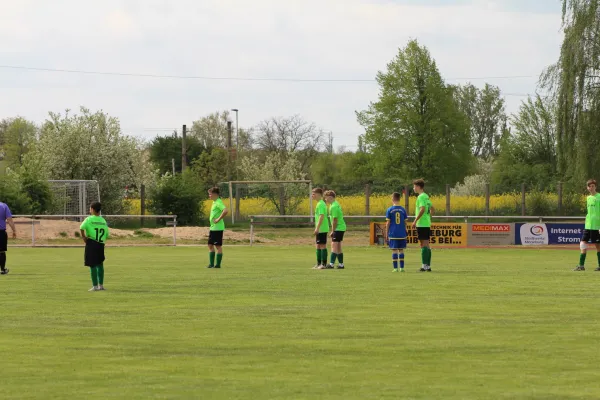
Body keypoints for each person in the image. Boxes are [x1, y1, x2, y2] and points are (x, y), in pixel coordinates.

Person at [80, 202, 109, 291]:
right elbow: (107, 234)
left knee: (92, 265)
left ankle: (95, 286)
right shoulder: (103, 220)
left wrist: (84, 237)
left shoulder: (89, 219)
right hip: (101, 244)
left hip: (92, 243)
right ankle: (101, 285)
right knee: (100, 264)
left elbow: (81, 227)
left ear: (92, 209)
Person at [574, 179, 600, 271]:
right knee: (583, 243)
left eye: (593, 186)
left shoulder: (599, 197)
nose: (591, 188)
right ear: (587, 188)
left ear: (595, 187)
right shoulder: (588, 198)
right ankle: (581, 266)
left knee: (597, 245)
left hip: (596, 226)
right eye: (589, 186)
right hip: (588, 225)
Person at [411, 179, 434, 272]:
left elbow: (422, 209)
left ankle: (424, 266)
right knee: (427, 244)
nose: (413, 188)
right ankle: (428, 266)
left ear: (418, 187)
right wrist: (428, 217)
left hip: (421, 223)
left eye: (414, 186)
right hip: (427, 223)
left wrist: (415, 220)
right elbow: (432, 208)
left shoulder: (420, 197)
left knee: (423, 244)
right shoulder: (426, 196)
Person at [385, 192, 408, 272]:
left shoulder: (390, 210)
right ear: (399, 199)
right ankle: (402, 268)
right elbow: (405, 222)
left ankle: (395, 268)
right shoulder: (403, 209)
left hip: (393, 233)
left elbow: (388, 223)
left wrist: (386, 233)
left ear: (393, 199)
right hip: (402, 233)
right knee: (401, 250)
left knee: (394, 250)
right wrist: (405, 230)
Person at [207, 187, 228, 269]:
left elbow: (225, 210)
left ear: (215, 194)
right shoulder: (214, 202)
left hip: (217, 228)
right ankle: (211, 264)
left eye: (210, 194)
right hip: (213, 228)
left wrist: (218, 219)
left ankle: (217, 265)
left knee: (218, 246)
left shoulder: (219, 202)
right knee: (210, 245)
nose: (209, 196)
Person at [325, 190, 346, 269]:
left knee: (334, 245)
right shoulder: (335, 204)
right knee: (338, 246)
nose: (325, 200)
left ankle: (331, 264)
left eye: (326, 198)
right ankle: (341, 264)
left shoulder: (333, 206)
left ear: (330, 197)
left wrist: (333, 231)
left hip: (338, 228)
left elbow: (335, 220)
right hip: (341, 227)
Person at [312, 188, 330, 269]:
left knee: (322, 245)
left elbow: (321, 216)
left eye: (314, 194)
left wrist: (317, 228)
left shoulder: (321, 204)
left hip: (322, 228)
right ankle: (319, 263)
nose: (312, 195)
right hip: (320, 228)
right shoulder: (319, 203)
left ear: (319, 194)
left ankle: (324, 264)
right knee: (318, 245)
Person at [0, 201, 17, 275]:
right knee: (1, 252)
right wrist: (14, 230)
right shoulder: (3, 206)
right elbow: (9, 220)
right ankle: (3, 269)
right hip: (1, 232)